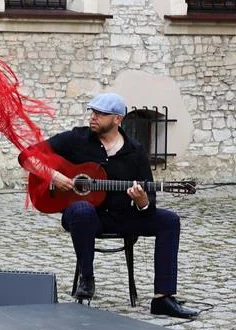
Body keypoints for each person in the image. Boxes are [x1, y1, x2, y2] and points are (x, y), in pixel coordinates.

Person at [20, 92, 197, 318]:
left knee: (169, 221)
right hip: (84, 217)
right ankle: (87, 278)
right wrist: (53, 176)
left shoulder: (135, 151)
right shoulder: (76, 139)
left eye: (100, 114)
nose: (93, 117)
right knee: (82, 210)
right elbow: (27, 156)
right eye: (92, 112)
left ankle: (163, 298)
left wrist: (142, 201)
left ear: (117, 119)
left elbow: (149, 202)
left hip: (122, 216)